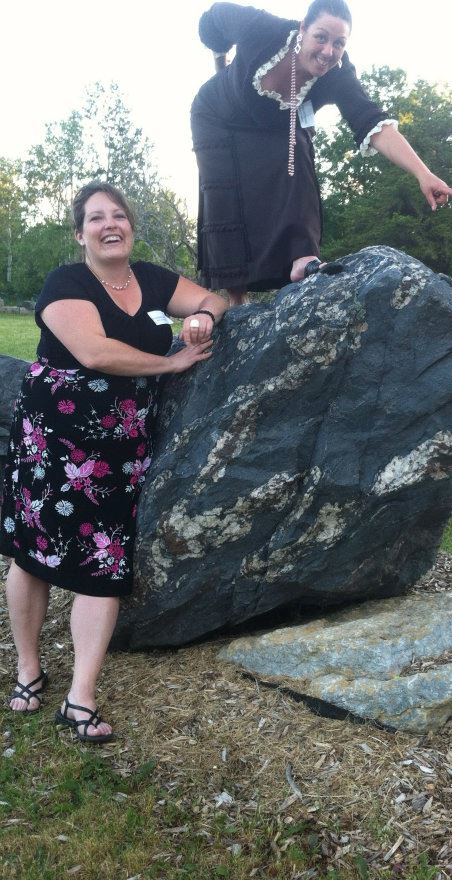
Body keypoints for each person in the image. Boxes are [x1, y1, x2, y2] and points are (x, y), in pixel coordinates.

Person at [2, 182, 227, 741]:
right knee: (35, 553)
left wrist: (203, 319)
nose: (110, 224)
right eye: (96, 218)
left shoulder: (150, 278)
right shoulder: (67, 282)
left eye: (119, 215)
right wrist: (171, 363)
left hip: (122, 447)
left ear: (130, 227)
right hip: (54, 439)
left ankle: (80, 698)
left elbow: (215, 298)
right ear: (80, 233)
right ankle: (28, 668)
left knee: (104, 559)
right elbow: (94, 352)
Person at [191, 0, 452, 304]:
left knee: (298, 155)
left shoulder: (337, 74)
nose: (328, 52)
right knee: (226, 190)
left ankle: (301, 259)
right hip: (216, 116)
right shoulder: (260, 28)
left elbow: (372, 122)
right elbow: (213, 19)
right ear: (303, 28)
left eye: (339, 43)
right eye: (321, 37)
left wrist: (423, 174)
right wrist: (219, 61)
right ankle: (236, 297)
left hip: (275, 124)